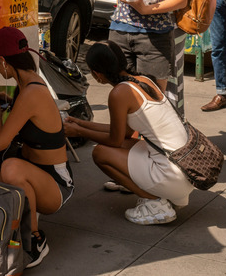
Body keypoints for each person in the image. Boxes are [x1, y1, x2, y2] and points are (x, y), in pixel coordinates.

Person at [65, 41, 193, 225]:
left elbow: (114, 140)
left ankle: (155, 203)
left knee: (100, 153)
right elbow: (124, 133)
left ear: (96, 73)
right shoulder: (144, 81)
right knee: (128, 144)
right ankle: (164, 195)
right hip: (184, 170)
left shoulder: (120, 93)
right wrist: (81, 124)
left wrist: (78, 131)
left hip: (173, 175)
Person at [0, 27, 73, 269]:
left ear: (3, 61)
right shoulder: (27, 80)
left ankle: (35, 240)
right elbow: (30, 115)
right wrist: (9, 101)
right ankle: (18, 220)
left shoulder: (31, 91)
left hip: (55, 184)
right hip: (36, 173)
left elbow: (0, 143)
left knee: (10, 167)